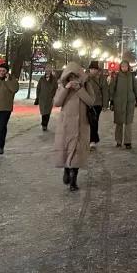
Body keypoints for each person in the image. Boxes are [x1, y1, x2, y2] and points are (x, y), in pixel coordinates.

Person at [53, 62, 94, 191]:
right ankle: (66, 169)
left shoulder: (86, 85)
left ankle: (73, 180)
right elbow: (57, 102)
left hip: (81, 124)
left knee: (77, 151)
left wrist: (79, 89)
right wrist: (66, 88)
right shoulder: (62, 86)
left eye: (75, 77)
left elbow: (91, 101)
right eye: (70, 77)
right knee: (67, 149)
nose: (73, 79)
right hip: (66, 124)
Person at [110, 60, 137, 148]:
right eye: (122, 66)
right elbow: (112, 88)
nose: (124, 68)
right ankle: (118, 141)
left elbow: (136, 87)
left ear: (128, 67)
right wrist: (111, 101)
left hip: (129, 102)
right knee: (119, 122)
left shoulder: (131, 76)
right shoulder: (116, 76)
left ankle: (128, 142)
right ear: (120, 67)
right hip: (118, 102)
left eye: (125, 66)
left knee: (128, 123)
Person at [85, 60, 110, 149]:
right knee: (90, 121)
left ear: (97, 69)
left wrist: (105, 104)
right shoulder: (85, 78)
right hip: (88, 103)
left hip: (98, 104)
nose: (93, 71)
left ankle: (92, 140)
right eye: (92, 69)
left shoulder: (101, 78)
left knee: (94, 121)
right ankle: (93, 139)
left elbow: (105, 91)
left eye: (95, 69)